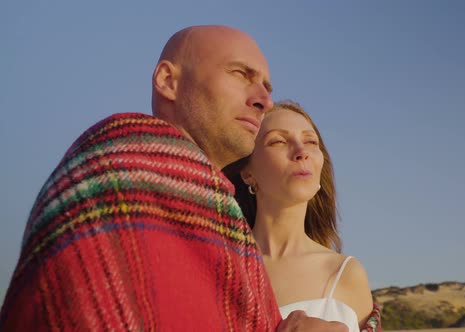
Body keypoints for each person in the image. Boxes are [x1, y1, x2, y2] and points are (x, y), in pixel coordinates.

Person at [0, 25, 351, 331]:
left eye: (267, 86)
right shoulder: (114, 175)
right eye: (241, 74)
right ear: (168, 81)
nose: (264, 100)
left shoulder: (233, 238)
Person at [224, 100, 381, 332]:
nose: (301, 152)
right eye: (278, 141)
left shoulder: (345, 274)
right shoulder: (220, 265)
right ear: (247, 173)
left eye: (311, 141)